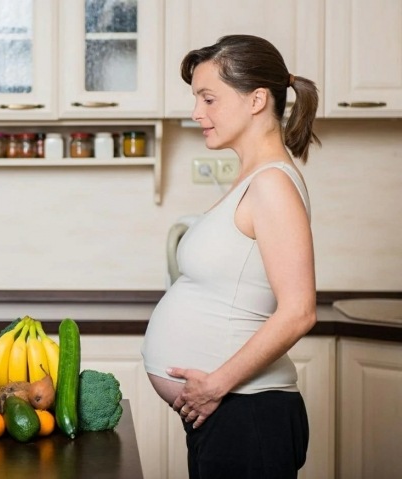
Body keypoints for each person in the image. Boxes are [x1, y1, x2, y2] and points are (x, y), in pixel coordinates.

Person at [141, 34, 321, 478]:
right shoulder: (254, 178)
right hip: (230, 415)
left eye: (209, 98)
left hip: (248, 415)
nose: (196, 113)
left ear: (257, 99)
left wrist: (213, 385)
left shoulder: (272, 185)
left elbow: (299, 311)